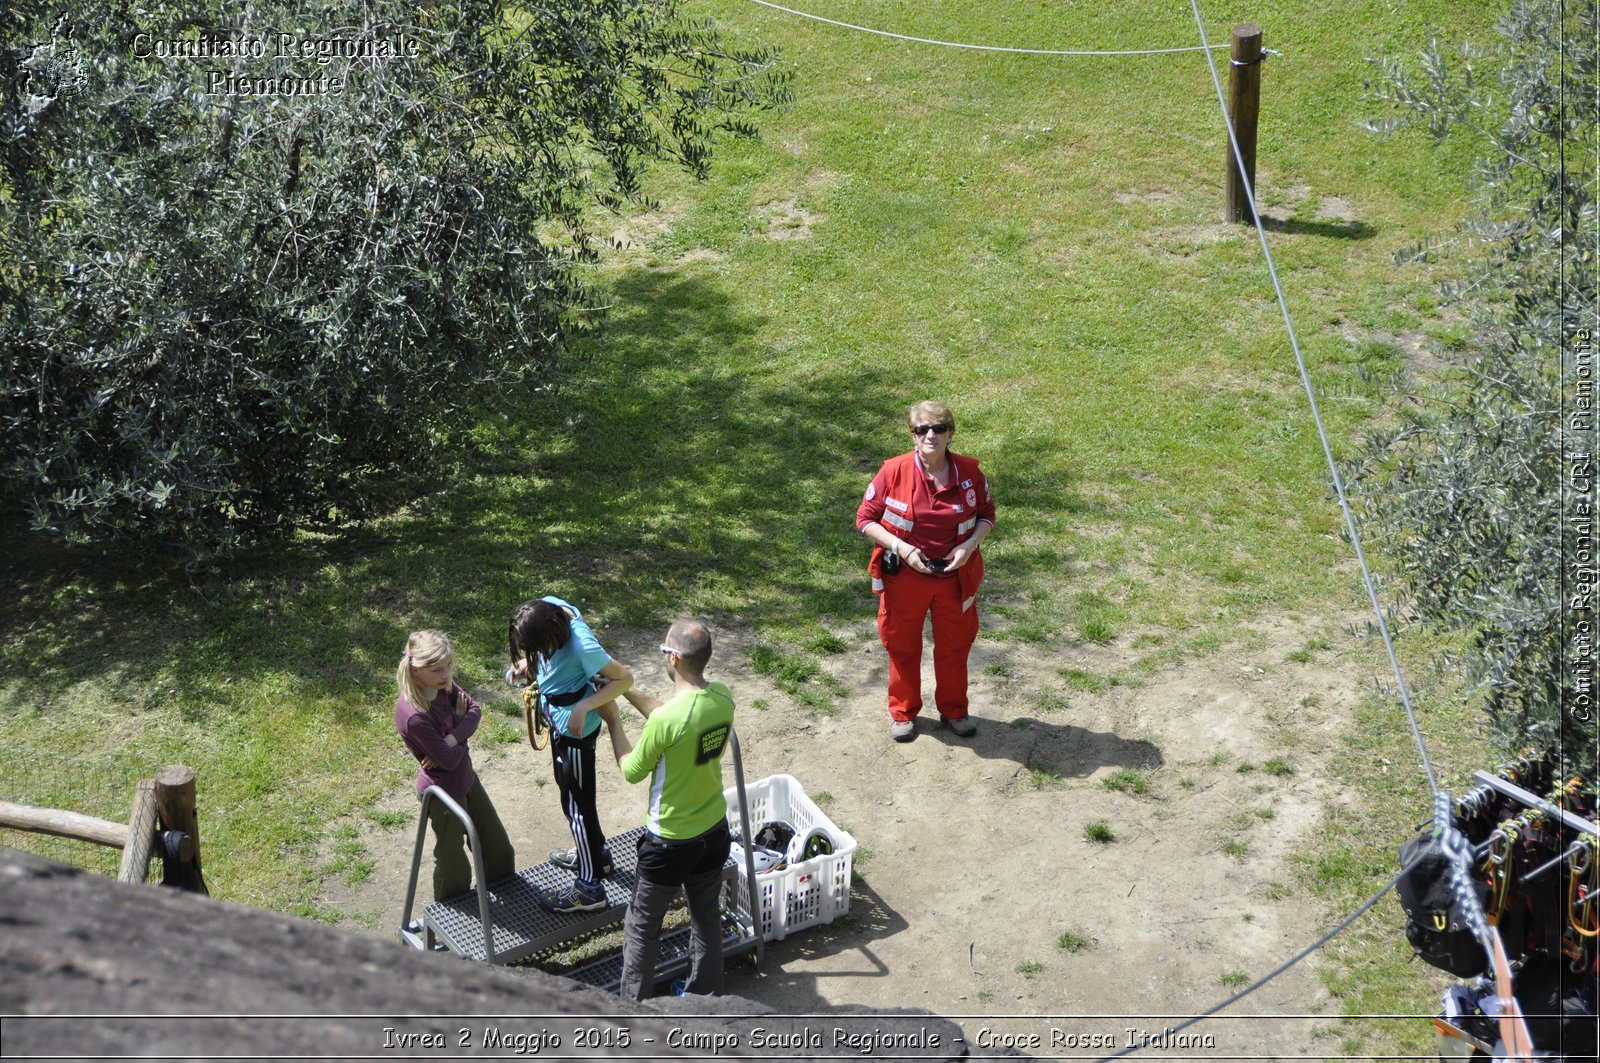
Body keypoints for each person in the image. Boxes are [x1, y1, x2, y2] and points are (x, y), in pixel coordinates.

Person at [600, 619, 735, 1001]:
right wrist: (627, 691)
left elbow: (631, 770)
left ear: (673, 658)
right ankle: (705, 999)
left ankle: (632, 1013)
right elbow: (672, 718)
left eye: (663, 649)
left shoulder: (666, 721)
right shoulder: (723, 698)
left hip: (669, 842)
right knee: (706, 917)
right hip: (713, 831)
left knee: (642, 928)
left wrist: (613, 721)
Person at [856, 400, 995, 742]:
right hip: (906, 578)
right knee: (902, 646)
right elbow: (864, 519)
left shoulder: (971, 473)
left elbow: (987, 516)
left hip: (955, 579)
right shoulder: (893, 471)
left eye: (939, 428)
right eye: (922, 429)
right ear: (913, 436)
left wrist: (969, 546)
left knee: (955, 646)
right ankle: (903, 713)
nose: (930, 435)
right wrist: (902, 549)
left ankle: (954, 710)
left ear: (950, 434)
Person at [507, 596, 633, 913]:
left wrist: (584, 706)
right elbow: (555, 661)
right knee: (572, 796)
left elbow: (624, 678)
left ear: (552, 635)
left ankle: (590, 889)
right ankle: (596, 854)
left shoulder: (583, 646)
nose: (531, 655)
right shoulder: (552, 607)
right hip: (560, 721)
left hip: (575, 730)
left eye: (535, 649)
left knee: (578, 806)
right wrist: (529, 666)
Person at [394, 629, 515, 903]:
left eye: (448, 666)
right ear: (415, 671)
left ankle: (509, 899)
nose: (446, 675)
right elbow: (447, 762)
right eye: (436, 669)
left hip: (467, 779)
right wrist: (460, 732)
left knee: (498, 850)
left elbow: (474, 712)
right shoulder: (414, 715)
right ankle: (452, 913)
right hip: (442, 793)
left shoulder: (443, 686)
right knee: (454, 867)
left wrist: (451, 737)